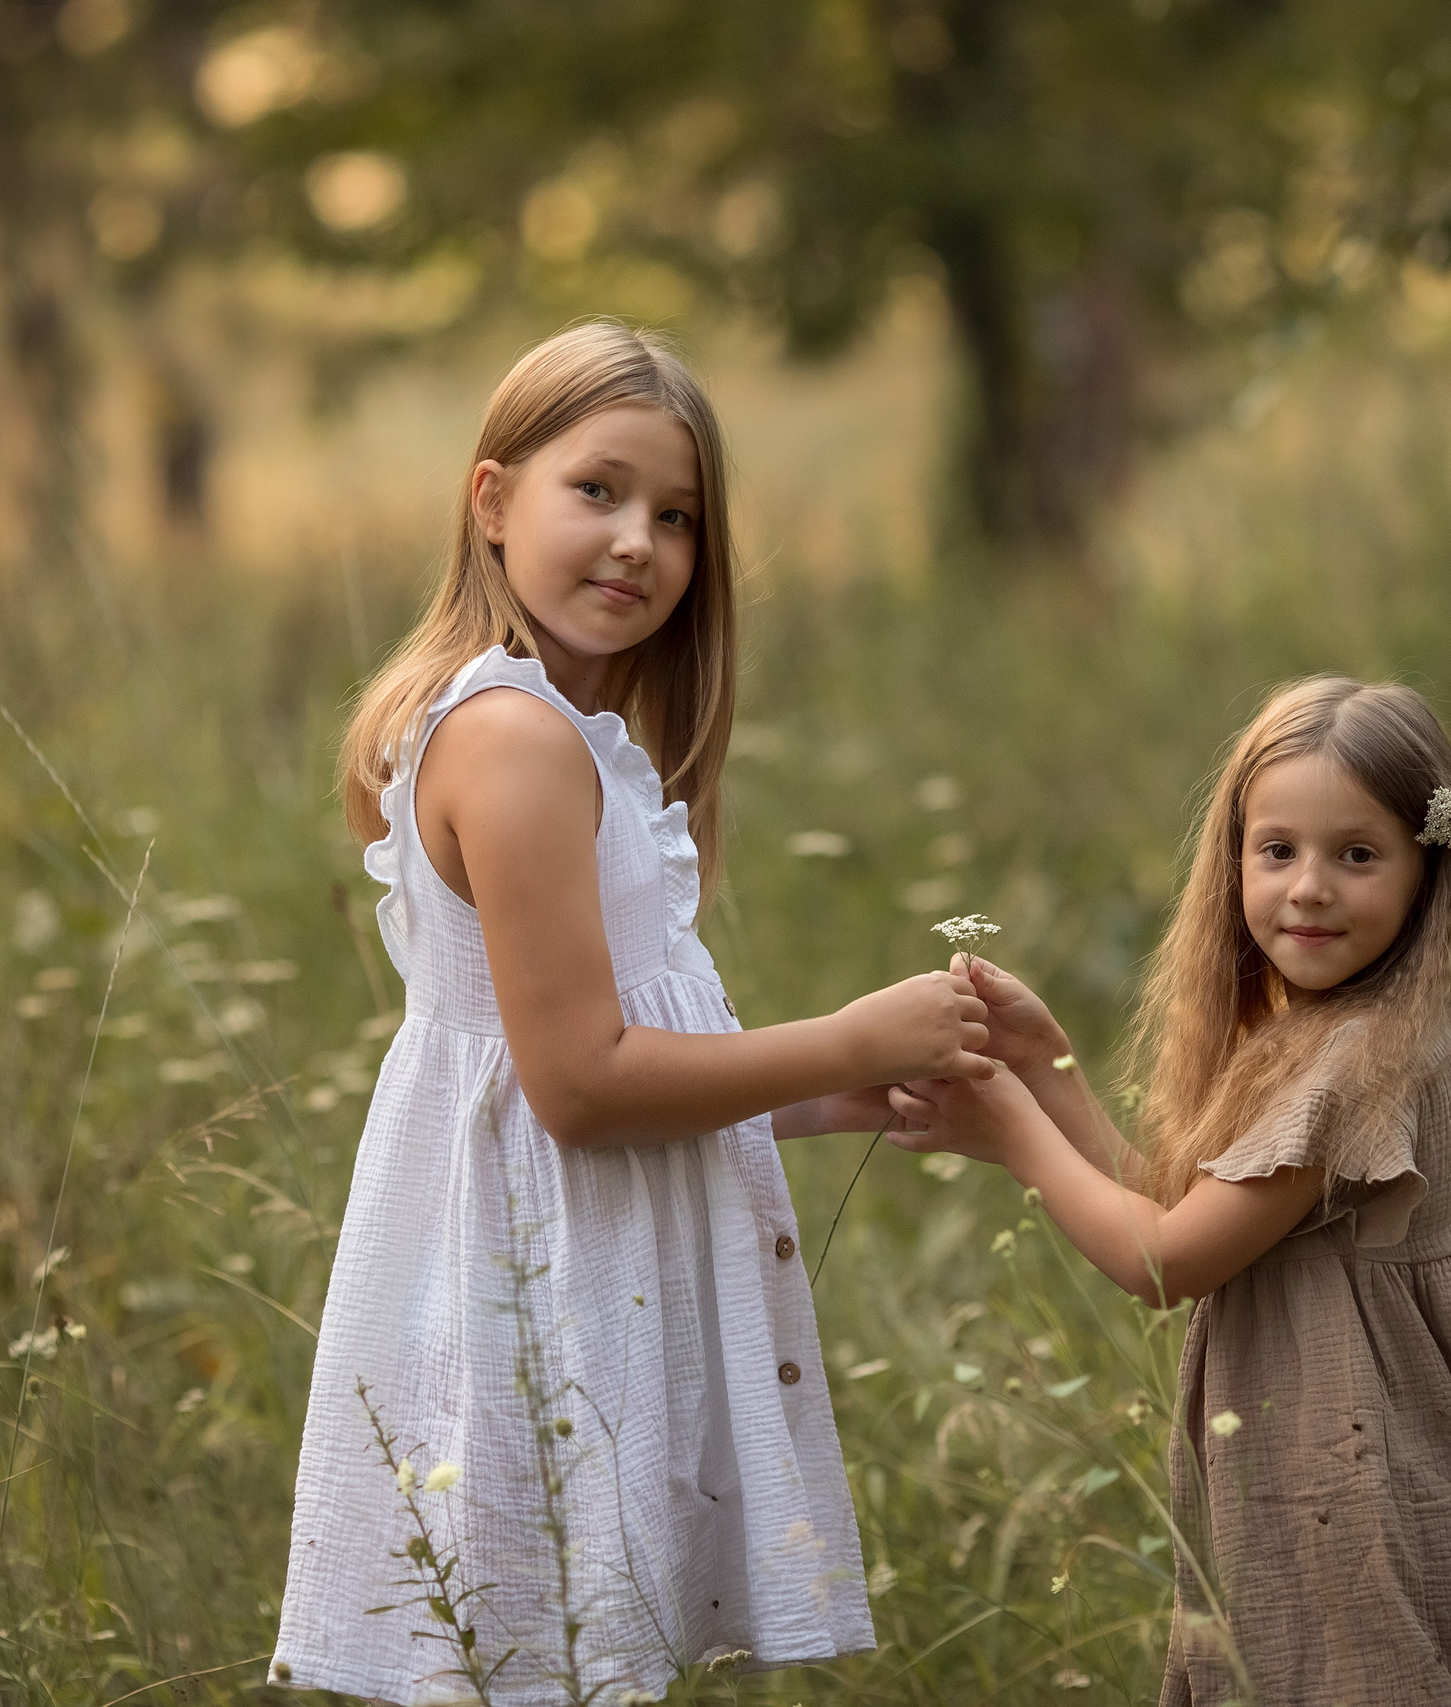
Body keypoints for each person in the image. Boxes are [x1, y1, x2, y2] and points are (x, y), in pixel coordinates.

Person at [272, 321, 994, 1705]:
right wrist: (855, 1033)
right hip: (540, 1283)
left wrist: (825, 1098)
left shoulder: (566, 736)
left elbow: (593, 1044)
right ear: (493, 502)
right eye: (595, 490)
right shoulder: (512, 740)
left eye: (677, 516)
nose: (637, 542)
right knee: (540, 1657)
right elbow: (581, 1085)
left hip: (576, 1250)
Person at [887, 676, 1451, 1707]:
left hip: (1355, 1473)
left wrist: (1014, 1131)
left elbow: (1165, 1263)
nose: (1309, 889)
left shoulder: (1359, 1063)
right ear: (1233, 860)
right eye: (1277, 850)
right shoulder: (1329, 1033)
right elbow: (1181, 1207)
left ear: (1431, 872)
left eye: (1358, 855)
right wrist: (1049, 1067)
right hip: (1339, 1453)